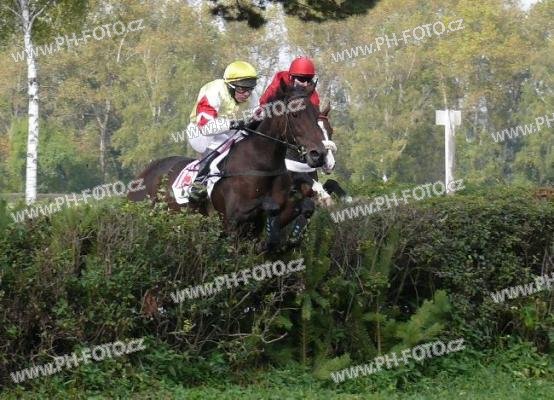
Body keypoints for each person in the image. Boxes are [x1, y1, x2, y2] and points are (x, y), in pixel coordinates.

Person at [186, 61, 258, 198]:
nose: (246, 94)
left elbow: (256, 117)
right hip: (200, 131)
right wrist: (233, 124)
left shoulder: (252, 96)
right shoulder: (214, 91)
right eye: (242, 89)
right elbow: (206, 127)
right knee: (221, 143)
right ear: (230, 86)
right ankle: (198, 184)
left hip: (229, 130)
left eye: (250, 89)